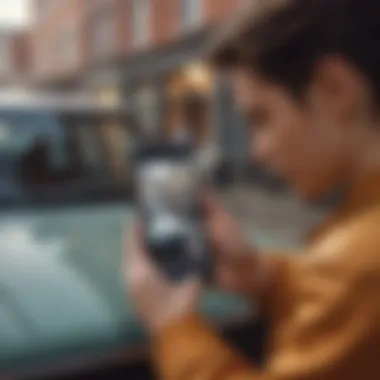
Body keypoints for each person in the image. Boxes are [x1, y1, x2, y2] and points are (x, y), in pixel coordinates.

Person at [126, 0, 380, 379]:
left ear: (334, 89)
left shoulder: (358, 263)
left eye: (262, 119)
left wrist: (173, 327)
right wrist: (264, 276)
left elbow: (354, 282)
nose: (257, 151)